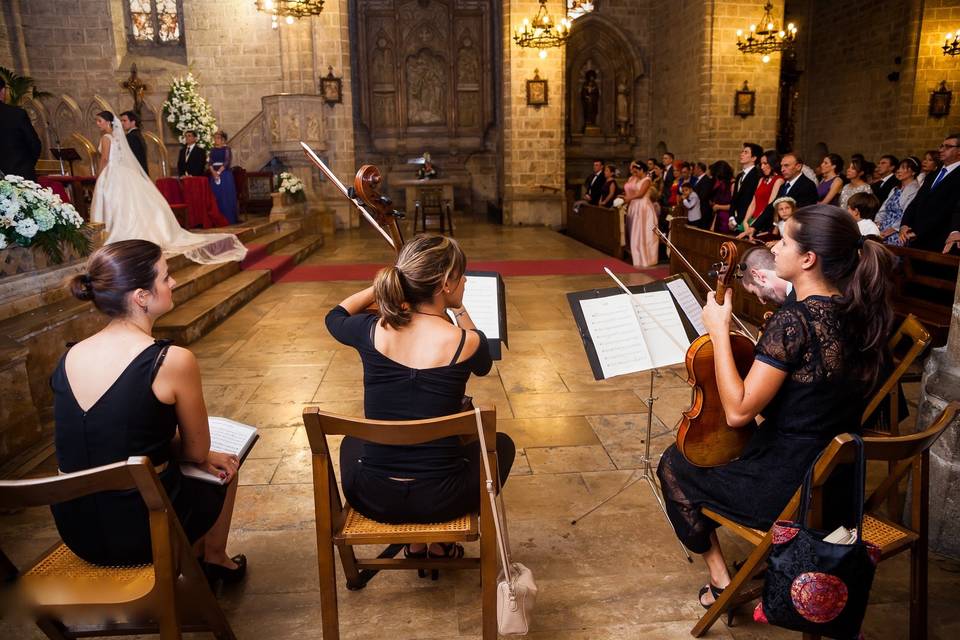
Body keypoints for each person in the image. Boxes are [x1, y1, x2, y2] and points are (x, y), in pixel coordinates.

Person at [657, 204, 894, 609]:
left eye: (784, 240)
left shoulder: (795, 321)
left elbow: (738, 411)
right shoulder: (860, 313)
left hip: (790, 487)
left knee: (675, 464)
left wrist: (718, 330)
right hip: (837, 486)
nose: (774, 247)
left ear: (808, 258)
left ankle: (720, 583)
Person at [50, 240, 246, 582]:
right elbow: (196, 451)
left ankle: (205, 556)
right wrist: (197, 451)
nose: (173, 283)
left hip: (78, 531)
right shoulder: (171, 360)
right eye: (165, 277)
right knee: (223, 465)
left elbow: (104, 434)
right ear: (141, 296)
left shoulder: (70, 356)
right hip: (145, 531)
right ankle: (213, 559)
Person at [325, 235, 516, 560]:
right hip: (442, 500)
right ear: (445, 283)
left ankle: (414, 547)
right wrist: (460, 309)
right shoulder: (465, 342)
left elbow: (335, 316)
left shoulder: (371, 330)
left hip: (374, 496)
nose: (466, 280)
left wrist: (384, 287)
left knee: (351, 441)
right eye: (461, 275)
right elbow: (484, 364)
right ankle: (440, 545)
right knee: (503, 444)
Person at [89, 111, 246, 264]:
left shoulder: (107, 137)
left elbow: (104, 159)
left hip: (112, 173)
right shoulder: (119, 137)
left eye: (99, 121)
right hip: (125, 173)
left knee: (117, 204)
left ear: (108, 122)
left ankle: (114, 233)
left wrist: (99, 175)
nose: (98, 124)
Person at [899, 133, 960, 253]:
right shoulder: (932, 175)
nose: (941, 150)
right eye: (941, 146)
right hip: (917, 238)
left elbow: (954, 208)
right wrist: (905, 224)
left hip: (940, 240)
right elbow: (916, 202)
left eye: (947, 147)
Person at [751, 153, 818, 232]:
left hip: (796, 233)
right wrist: (754, 227)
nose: (782, 169)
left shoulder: (807, 185)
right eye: (781, 166)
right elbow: (772, 207)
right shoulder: (784, 185)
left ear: (798, 166)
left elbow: (802, 214)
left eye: (786, 166)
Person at [0, 77, 42, 181]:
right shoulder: (16, 114)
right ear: (3, 91)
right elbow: (34, 144)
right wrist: (25, 165)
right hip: (20, 178)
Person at [875, 157, 920, 246]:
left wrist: (892, 230)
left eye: (903, 168)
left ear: (913, 172)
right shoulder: (895, 189)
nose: (898, 171)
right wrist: (877, 223)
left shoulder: (915, 190)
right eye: (898, 168)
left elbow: (908, 213)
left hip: (898, 230)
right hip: (883, 227)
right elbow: (883, 209)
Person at [737, 150, 782, 239]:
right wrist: (745, 221)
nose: (762, 167)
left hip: (764, 223)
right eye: (761, 164)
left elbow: (770, 206)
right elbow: (753, 202)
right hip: (753, 220)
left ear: (773, 163)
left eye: (765, 163)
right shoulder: (761, 180)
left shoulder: (779, 180)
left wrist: (754, 225)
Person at [624, 161, 658, 267]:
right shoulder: (636, 179)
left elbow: (641, 193)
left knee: (643, 233)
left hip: (644, 208)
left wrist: (628, 198)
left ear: (642, 170)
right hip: (635, 206)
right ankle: (637, 257)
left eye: (636, 171)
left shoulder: (647, 180)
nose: (635, 173)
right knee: (635, 232)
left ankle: (646, 258)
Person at [208, 130, 239, 225]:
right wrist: (213, 172)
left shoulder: (227, 149)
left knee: (225, 196)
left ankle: (228, 218)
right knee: (215, 196)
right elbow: (210, 162)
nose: (216, 140)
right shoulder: (212, 150)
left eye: (218, 138)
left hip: (225, 175)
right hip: (214, 175)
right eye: (215, 138)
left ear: (223, 140)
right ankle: (217, 219)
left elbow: (227, 162)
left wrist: (218, 172)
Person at [731, 143, 763, 228]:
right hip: (735, 219)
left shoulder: (757, 176)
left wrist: (736, 221)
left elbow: (749, 200)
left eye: (746, 152)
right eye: (742, 151)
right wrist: (731, 217)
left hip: (746, 220)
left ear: (754, 158)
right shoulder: (739, 176)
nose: (742, 154)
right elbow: (734, 198)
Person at [708, 160, 734, 232]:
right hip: (719, 219)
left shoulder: (733, 185)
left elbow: (734, 206)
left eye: (717, 176)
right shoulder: (722, 185)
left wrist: (718, 207)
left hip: (727, 221)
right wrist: (713, 225)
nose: (716, 179)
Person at [120, 110, 148, 175]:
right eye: (121, 121)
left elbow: (130, 157)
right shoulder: (137, 134)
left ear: (133, 122)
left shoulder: (131, 136)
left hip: (135, 172)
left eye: (124, 121)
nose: (122, 123)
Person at [692, 162, 715, 229]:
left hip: (703, 211)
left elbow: (703, 196)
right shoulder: (698, 180)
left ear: (699, 169)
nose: (693, 170)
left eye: (694, 168)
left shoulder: (706, 180)